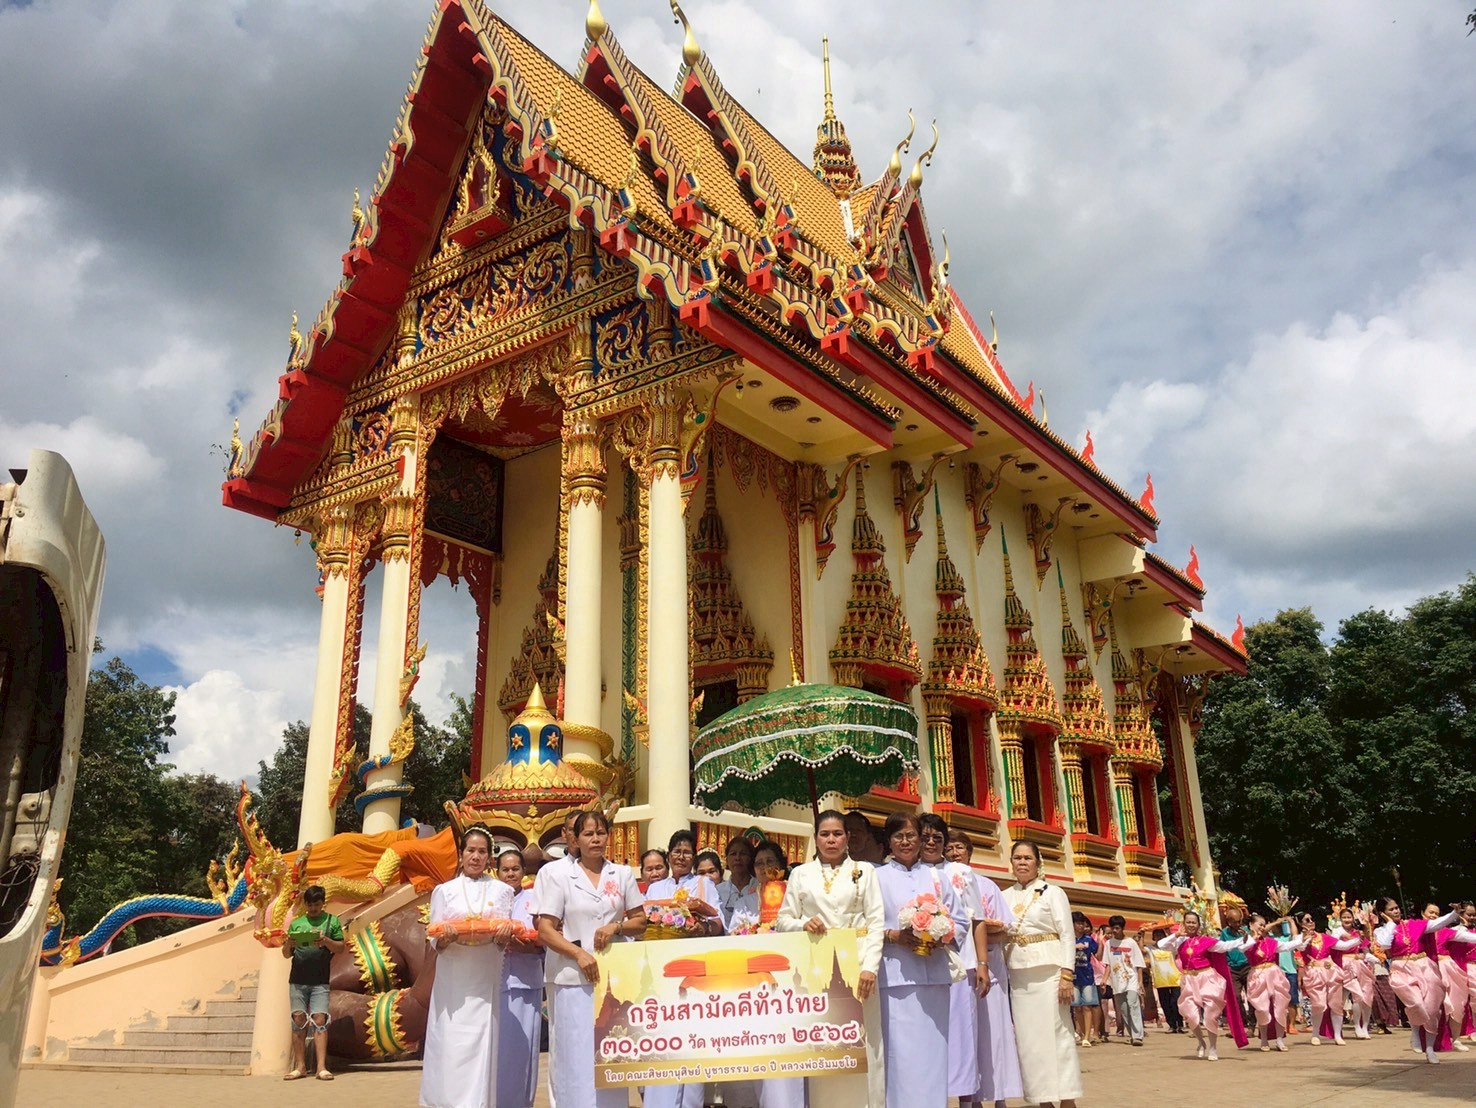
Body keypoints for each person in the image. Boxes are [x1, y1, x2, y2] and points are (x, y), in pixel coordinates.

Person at [776, 808, 885, 1108]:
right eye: (825, 834)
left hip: (858, 962)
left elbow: (876, 923)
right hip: (818, 965)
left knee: (864, 1037)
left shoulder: (866, 871)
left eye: (838, 833)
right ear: (816, 839)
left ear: (848, 838)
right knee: (825, 1035)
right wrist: (803, 923)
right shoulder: (800, 874)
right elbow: (783, 920)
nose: (831, 840)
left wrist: (870, 969)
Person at [536, 810, 646, 1106]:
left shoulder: (621, 874)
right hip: (574, 979)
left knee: (610, 1055)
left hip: (614, 980)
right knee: (577, 1057)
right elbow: (545, 929)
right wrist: (578, 954)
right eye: (588, 833)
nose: (595, 839)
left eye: (600, 833)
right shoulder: (561, 876)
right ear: (575, 839)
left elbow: (640, 920)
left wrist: (616, 926)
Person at [874, 811, 967, 1108]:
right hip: (895, 980)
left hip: (934, 978)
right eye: (898, 836)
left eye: (911, 835)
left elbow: (961, 921)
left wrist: (943, 934)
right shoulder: (875, 878)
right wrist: (893, 935)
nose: (906, 841)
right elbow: (865, 925)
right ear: (888, 841)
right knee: (899, 1056)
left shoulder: (938, 877)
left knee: (933, 1052)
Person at [421, 826, 516, 1108]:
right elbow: (433, 939)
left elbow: (504, 939)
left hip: (485, 977)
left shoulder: (502, 891)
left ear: (490, 857)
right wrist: (445, 938)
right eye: (471, 851)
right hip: (453, 980)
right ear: (461, 855)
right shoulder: (444, 891)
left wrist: (502, 938)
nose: (476, 857)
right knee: (450, 1046)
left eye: (482, 852)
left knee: (482, 1046)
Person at [944, 829, 1021, 1108]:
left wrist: (982, 933)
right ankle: (971, 1096)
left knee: (994, 1036)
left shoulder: (987, 885)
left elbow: (1004, 928)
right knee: (968, 1037)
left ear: (970, 852)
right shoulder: (943, 883)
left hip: (991, 969)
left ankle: (999, 1096)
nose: (955, 853)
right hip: (958, 970)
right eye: (950, 848)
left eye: (960, 848)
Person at [1002, 840, 1081, 1108]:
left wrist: (1067, 975)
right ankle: (1043, 1101)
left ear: (1038, 862)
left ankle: (1067, 1099)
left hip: (1050, 974)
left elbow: (1067, 935)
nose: (1022, 863)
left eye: (1027, 858)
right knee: (1029, 1043)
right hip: (1020, 977)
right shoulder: (1003, 896)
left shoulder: (1052, 893)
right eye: (1017, 858)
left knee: (1058, 1037)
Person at [917, 813, 985, 1103]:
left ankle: (967, 1100)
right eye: (925, 837)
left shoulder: (961, 873)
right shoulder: (907, 871)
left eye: (938, 838)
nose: (931, 842)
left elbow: (978, 919)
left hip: (961, 962)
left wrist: (982, 963)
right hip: (919, 963)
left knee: (962, 1035)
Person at [1373, 898, 1460, 1064]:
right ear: (1383, 913)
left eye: (1397, 907)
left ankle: (1429, 1048)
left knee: (1431, 1009)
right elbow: (1384, 945)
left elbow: (1437, 924)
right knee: (1416, 1004)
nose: (1397, 911)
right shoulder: (1382, 931)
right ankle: (1414, 1031)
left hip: (1424, 966)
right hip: (1401, 969)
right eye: (1391, 909)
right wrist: (1390, 922)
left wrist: (1454, 913)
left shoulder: (1414, 924)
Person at [1155, 909, 1249, 1061]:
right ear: (1183, 924)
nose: (1191, 925)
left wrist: (1242, 941)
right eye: (1188, 922)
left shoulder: (1206, 941)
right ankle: (1201, 1042)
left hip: (1206, 978)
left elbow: (1224, 946)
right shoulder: (1179, 941)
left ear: (1199, 925)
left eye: (1194, 922)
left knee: (1210, 1014)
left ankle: (1212, 1047)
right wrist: (1177, 934)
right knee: (1191, 1016)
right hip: (1188, 980)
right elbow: (1161, 945)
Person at [282, 884, 345, 1082]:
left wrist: (325, 941)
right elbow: (285, 954)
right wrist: (288, 944)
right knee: (298, 1020)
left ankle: (321, 1067)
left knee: (320, 1020)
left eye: (316, 905)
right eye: (309, 905)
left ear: (322, 903)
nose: (313, 909)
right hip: (298, 979)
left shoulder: (331, 921)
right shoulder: (297, 923)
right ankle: (300, 1067)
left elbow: (341, 947)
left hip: (320, 980)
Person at [497, 849, 543, 1108]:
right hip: (494, 982)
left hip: (526, 982)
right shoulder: (489, 900)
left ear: (523, 871)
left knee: (523, 1052)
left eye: (515, 869)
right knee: (498, 1052)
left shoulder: (535, 899)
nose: (511, 873)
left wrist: (525, 944)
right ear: (498, 872)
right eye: (506, 869)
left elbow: (545, 938)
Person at [1241, 913, 1302, 1052]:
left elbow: (1287, 946)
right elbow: (1242, 948)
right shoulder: (1246, 940)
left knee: (1279, 1007)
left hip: (1274, 974)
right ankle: (1264, 1038)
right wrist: (1254, 937)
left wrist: (1302, 939)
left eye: (1263, 925)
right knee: (1262, 1009)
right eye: (1259, 924)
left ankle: (1280, 1039)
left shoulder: (1271, 942)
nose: (1262, 927)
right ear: (1251, 925)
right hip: (1257, 975)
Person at [1104, 915, 1146, 1046]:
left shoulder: (1131, 943)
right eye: (1112, 928)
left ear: (1122, 928)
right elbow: (1108, 964)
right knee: (1124, 1009)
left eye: (1117, 928)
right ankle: (1132, 1034)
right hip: (1117, 982)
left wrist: (1140, 982)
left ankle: (1138, 1035)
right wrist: (1104, 980)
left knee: (1133, 1005)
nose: (1114, 931)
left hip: (1131, 979)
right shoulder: (1108, 944)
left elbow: (1138, 964)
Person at [1218, 895, 1253, 1025]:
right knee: (1236, 996)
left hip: (1247, 966)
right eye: (1234, 922)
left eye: (1239, 921)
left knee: (1251, 995)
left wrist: (1247, 937)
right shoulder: (1224, 933)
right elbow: (1221, 948)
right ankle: (1243, 1021)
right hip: (1233, 969)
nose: (1237, 924)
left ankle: (1253, 1022)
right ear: (1228, 922)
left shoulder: (1245, 930)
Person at [1069, 913, 1099, 1047]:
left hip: (1087, 976)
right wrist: (1073, 947)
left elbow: (1098, 954)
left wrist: (1101, 942)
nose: (1081, 926)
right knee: (1077, 1008)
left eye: (1083, 923)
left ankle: (1087, 1035)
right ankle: (1080, 1033)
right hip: (1072, 977)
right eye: (1078, 923)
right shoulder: (1068, 939)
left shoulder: (1089, 939)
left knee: (1087, 1006)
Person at [1148, 927, 1184, 1033]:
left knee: (1175, 1002)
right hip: (1161, 980)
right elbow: (1141, 950)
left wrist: (1172, 934)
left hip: (1174, 978)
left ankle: (1180, 1024)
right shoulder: (1151, 948)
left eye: (1161, 935)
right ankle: (1172, 1025)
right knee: (1165, 1003)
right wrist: (1142, 933)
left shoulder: (1171, 947)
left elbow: (1179, 946)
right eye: (1156, 935)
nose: (1159, 937)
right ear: (1153, 937)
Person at [715, 836, 758, 915]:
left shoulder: (759, 887)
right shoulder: (718, 891)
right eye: (733, 854)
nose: (737, 858)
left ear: (751, 859)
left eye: (743, 854)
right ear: (727, 860)